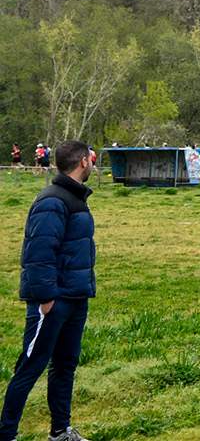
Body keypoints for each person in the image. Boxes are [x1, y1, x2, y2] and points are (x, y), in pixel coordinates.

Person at [0, 139, 96, 441]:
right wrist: (45, 298)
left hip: (75, 296)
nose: (93, 163)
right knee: (30, 366)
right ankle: (6, 433)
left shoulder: (73, 198)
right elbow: (39, 253)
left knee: (65, 365)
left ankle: (60, 431)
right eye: (91, 159)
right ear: (82, 162)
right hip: (54, 301)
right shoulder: (52, 201)